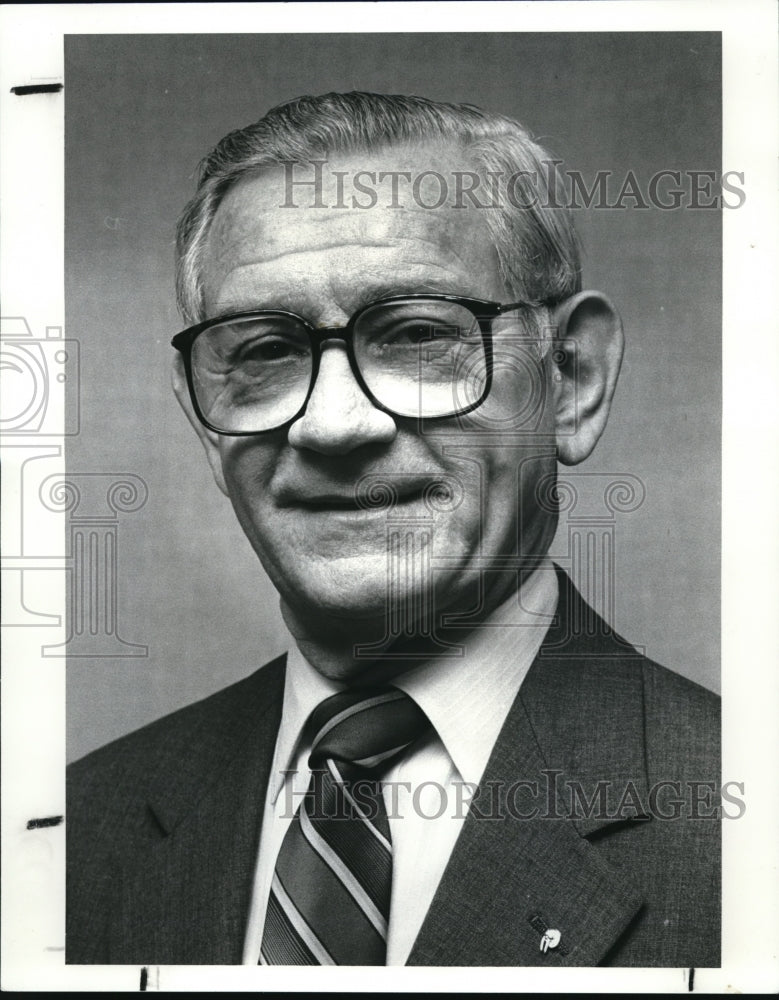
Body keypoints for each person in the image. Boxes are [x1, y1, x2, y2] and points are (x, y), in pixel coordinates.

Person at [66, 92, 720, 967]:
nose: (332, 426)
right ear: (202, 418)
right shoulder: (76, 832)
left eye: (415, 334)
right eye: (263, 351)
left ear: (570, 380)